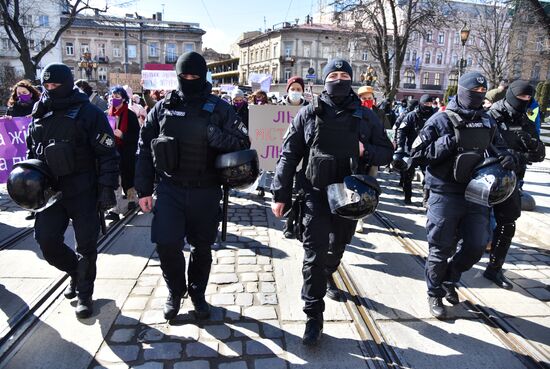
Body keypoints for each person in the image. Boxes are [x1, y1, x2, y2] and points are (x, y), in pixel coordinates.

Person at [271, 59, 393, 345]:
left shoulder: (366, 117)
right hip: (314, 193)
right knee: (313, 255)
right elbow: (289, 154)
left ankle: (329, 274)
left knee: (337, 247)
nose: (338, 79)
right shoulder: (308, 113)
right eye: (333, 75)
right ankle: (313, 315)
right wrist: (280, 194)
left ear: (350, 80)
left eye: (343, 75)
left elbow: (387, 153)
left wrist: (366, 150)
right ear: (325, 80)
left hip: (350, 196)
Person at [135, 51, 250, 321]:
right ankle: (175, 291)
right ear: (177, 76)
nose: (188, 79)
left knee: (201, 248)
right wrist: (142, 190)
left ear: (203, 76)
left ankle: (197, 293)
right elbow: (144, 148)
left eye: (194, 76)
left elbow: (243, 144)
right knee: (166, 244)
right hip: (170, 188)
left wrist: (214, 135)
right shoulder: (162, 107)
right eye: (183, 76)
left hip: (206, 189)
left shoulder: (220, 108)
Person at [411, 72, 515, 319]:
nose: (478, 96)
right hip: (444, 192)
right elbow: (418, 154)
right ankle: (434, 291)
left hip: (476, 193)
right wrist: (452, 140)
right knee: (440, 247)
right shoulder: (440, 120)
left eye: (483, 93)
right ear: (461, 91)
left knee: (476, 245)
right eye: (474, 93)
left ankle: (450, 277)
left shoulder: (488, 122)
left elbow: (498, 148)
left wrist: (508, 157)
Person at [25, 63, 119, 319]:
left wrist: (107, 188)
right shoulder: (39, 112)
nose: (50, 89)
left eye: (55, 85)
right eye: (46, 86)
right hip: (50, 192)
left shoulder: (89, 113)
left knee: (86, 246)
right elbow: (32, 150)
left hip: (83, 189)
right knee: (46, 241)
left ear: (66, 83)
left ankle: (85, 295)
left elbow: (108, 153)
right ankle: (75, 272)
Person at [484, 80, 545, 289]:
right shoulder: (492, 115)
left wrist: (529, 148)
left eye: (529, 98)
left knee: (507, 224)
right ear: (511, 95)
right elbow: (480, 146)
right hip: (485, 179)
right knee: (471, 228)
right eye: (521, 97)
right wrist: (502, 156)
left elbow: (538, 154)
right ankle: (452, 271)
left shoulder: (525, 119)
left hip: (511, 181)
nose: (524, 102)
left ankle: (494, 269)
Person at [5, 80, 42, 220]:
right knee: (23, 179)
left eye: (24, 93)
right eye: (19, 93)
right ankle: (31, 207)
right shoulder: (13, 108)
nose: (21, 95)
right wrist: (8, 120)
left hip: (35, 148)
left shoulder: (38, 106)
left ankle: (40, 205)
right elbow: (10, 129)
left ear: (31, 93)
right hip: (20, 148)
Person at [105, 86, 140, 221]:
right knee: (115, 179)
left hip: (127, 152)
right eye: (113, 97)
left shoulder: (130, 115)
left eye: (118, 97)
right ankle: (115, 209)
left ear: (124, 99)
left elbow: (135, 135)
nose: (115, 100)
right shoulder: (107, 114)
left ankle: (132, 199)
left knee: (128, 178)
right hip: (112, 152)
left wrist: (123, 135)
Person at [394, 94, 434, 204]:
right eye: (426, 104)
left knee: (429, 177)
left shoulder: (434, 115)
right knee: (408, 175)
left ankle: (426, 200)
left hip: (428, 151)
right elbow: (401, 131)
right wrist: (400, 147)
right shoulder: (411, 116)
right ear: (421, 103)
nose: (428, 106)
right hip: (412, 150)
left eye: (430, 104)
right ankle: (408, 197)